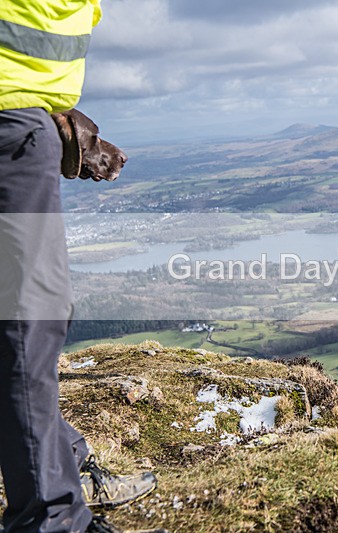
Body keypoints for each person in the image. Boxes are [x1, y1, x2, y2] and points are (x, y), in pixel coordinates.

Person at [0, 2, 159, 532]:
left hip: (24, 129)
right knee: (32, 320)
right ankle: (52, 516)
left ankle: (66, 465)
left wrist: (68, 129)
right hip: (12, 134)